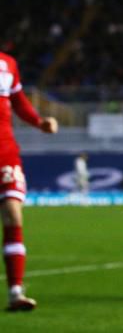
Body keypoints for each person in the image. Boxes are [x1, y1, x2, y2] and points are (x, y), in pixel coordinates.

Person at [0, 51, 59, 311]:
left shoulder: (8, 63)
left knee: (13, 213)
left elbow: (18, 100)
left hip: (5, 152)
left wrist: (39, 121)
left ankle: (15, 291)